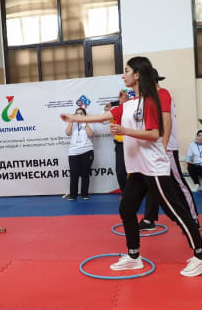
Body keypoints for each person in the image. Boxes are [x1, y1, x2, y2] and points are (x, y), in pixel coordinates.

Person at [60, 56, 202, 277]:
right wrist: (73, 118)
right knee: (126, 209)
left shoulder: (152, 100)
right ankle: (134, 257)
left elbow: (155, 134)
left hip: (154, 167)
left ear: (137, 75)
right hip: (137, 168)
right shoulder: (127, 105)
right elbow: (101, 117)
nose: (123, 75)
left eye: (126, 71)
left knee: (175, 212)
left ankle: (200, 255)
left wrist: (125, 132)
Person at [139, 69, 200, 231]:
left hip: (166, 148)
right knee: (154, 183)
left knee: (179, 184)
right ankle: (149, 219)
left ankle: (193, 219)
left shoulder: (163, 94)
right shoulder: (151, 97)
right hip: (156, 147)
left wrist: (164, 146)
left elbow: (167, 123)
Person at [64, 107, 94, 200]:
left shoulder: (89, 123)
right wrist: (71, 121)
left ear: (85, 115)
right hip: (73, 152)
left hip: (86, 150)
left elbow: (91, 134)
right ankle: (73, 195)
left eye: (81, 113)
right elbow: (67, 133)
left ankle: (84, 194)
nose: (79, 115)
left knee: (85, 174)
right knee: (74, 174)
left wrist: (84, 123)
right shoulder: (72, 124)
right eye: (77, 113)